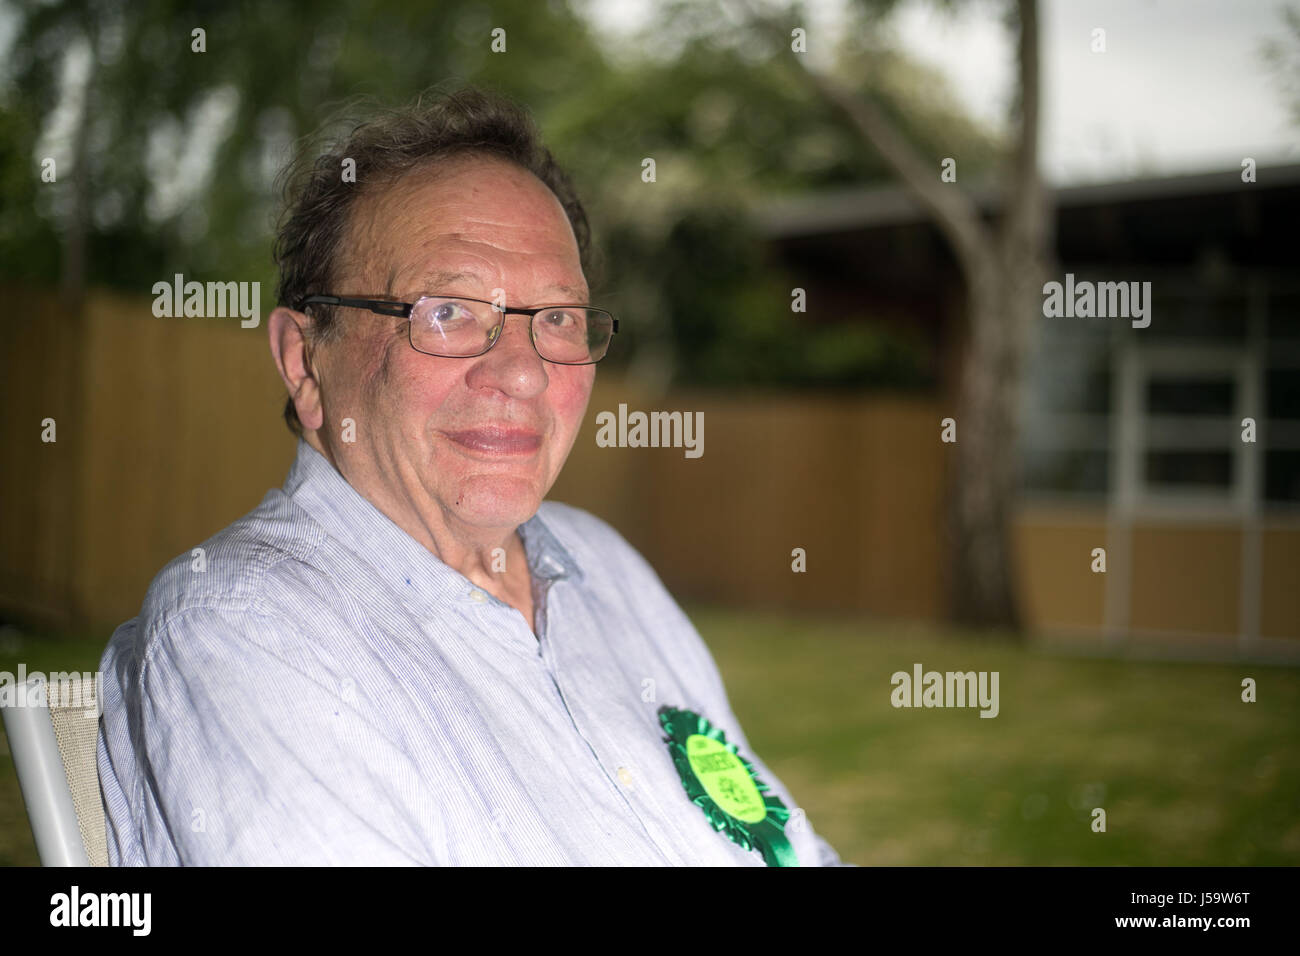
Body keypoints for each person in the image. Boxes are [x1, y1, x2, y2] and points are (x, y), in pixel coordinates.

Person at [97, 85, 845, 866]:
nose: (521, 374)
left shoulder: (607, 570)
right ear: (305, 360)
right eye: (447, 312)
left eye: (556, 317)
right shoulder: (249, 626)